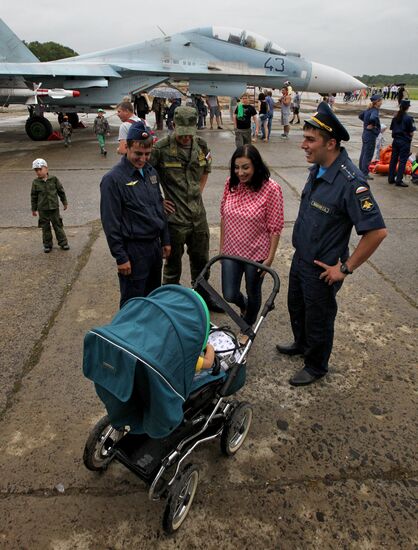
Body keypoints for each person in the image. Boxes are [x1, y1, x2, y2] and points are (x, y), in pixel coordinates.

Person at [276, 102, 387, 386]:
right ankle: (301, 346)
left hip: (323, 268)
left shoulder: (352, 182)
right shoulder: (319, 169)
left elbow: (376, 232)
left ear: (331, 143)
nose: (304, 145)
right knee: (296, 308)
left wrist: (345, 269)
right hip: (302, 258)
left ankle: (315, 366)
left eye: (311, 140)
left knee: (319, 319)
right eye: (305, 138)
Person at [149, 106, 222, 312]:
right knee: (172, 265)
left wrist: (198, 190)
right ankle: (169, 303)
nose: (185, 138)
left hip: (198, 217)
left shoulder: (201, 145)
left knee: (201, 261)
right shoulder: (161, 149)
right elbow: (147, 176)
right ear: (174, 125)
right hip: (174, 219)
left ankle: (202, 298)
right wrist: (158, 200)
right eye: (181, 134)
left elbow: (206, 168)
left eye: (189, 134)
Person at [100, 122, 171, 308]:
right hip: (134, 250)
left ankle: (148, 335)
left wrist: (165, 239)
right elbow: (110, 222)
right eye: (138, 154)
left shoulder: (150, 172)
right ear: (127, 147)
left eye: (147, 154)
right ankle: (128, 335)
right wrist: (120, 257)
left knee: (153, 297)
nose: (143, 159)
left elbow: (159, 205)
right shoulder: (113, 180)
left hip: (154, 248)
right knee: (133, 303)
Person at [220, 145, 284, 344]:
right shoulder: (231, 183)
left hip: (257, 253)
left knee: (252, 290)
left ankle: (247, 326)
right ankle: (247, 306)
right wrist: (221, 247)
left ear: (256, 165)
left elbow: (275, 226)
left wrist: (271, 256)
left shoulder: (271, 188)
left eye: (245, 167)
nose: (240, 172)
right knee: (229, 294)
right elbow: (223, 216)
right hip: (231, 250)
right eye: (237, 167)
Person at [31, 158, 70, 253]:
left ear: (46, 169)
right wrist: (34, 209)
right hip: (43, 210)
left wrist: (64, 202)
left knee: (58, 225)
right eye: (36, 170)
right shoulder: (35, 183)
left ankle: (63, 243)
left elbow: (61, 191)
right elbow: (33, 196)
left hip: (54, 208)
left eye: (40, 169)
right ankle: (47, 245)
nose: (38, 172)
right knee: (45, 227)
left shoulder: (54, 179)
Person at [388, 99, 416, 187]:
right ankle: (399, 180)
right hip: (404, 141)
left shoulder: (395, 117)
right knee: (402, 161)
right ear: (407, 107)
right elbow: (411, 132)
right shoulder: (409, 118)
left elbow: (392, 128)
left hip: (395, 141)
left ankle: (391, 178)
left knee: (393, 160)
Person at [358, 93, 383, 179]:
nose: (382, 102)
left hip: (365, 133)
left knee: (364, 153)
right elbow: (373, 118)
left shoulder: (368, 109)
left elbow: (360, 116)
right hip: (370, 135)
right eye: (381, 100)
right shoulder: (374, 110)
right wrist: (372, 124)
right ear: (377, 102)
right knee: (368, 154)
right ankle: (364, 173)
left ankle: (361, 170)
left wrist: (366, 122)